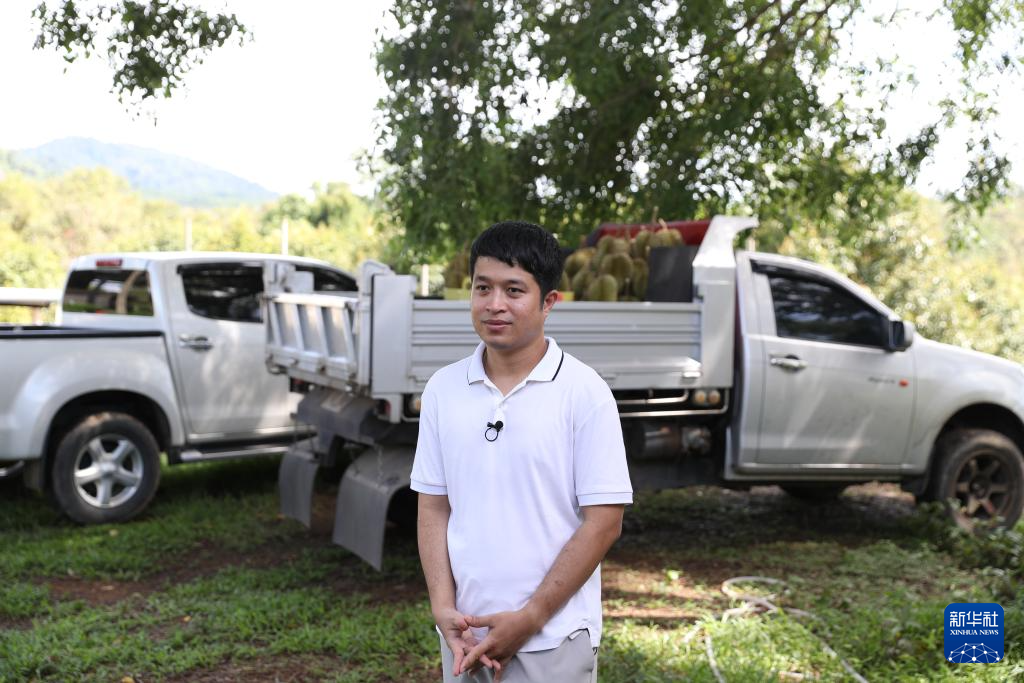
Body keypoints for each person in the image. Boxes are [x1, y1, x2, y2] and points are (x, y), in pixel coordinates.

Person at [411, 220, 633, 682]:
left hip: (553, 639)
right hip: (464, 637)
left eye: (514, 290)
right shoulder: (443, 389)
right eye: (483, 288)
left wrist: (530, 617)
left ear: (548, 302)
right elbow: (433, 505)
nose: (495, 304)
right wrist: (442, 607)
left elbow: (604, 522)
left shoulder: (584, 392)